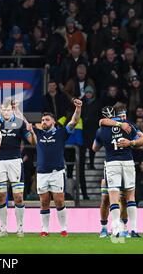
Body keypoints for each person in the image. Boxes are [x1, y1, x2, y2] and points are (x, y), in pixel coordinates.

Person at [29, 98, 83, 237]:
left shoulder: (61, 133)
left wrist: (78, 108)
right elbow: (23, 122)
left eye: (46, 120)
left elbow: (74, 122)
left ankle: (64, 229)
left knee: (59, 201)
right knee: (44, 201)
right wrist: (15, 109)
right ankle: (45, 230)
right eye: (42, 120)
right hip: (41, 172)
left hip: (57, 171)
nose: (43, 122)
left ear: (53, 121)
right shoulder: (38, 133)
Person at [92, 107, 143, 238]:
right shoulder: (128, 126)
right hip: (128, 162)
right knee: (130, 197)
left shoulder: (101, 130)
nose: (123, 117)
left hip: (112, 164)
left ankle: (117, 229)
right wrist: (131, 142)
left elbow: (94, 148)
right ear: (118, 115)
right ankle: (133, 230)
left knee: (113, 198)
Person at [0, 100, 35, 237]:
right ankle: (3, 229)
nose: (6, 112)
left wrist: (31, 132)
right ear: (0, 110)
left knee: (18, 196)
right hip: (0, 162)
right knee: (1, 195)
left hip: (15, 162)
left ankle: (20, 228)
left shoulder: (19, 123)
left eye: (8, 110)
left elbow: (31, 142)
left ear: (12, 110)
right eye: (4, 110)